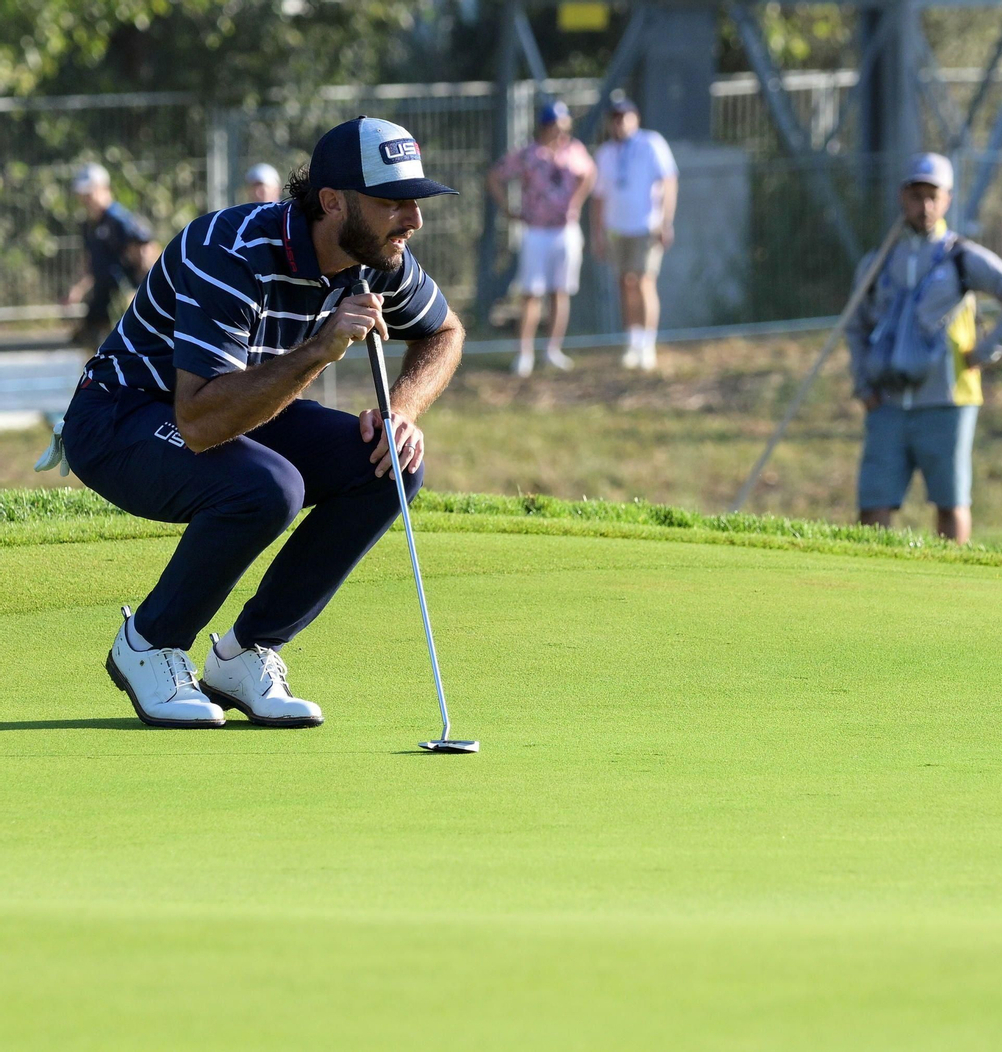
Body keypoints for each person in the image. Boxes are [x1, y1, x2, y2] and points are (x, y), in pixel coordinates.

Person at [56, 116, 464, 730]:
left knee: (389, 466)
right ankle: (149, 643)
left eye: (415, 200)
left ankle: (245, 653)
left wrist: (400, 412)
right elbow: (199, 421)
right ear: (333, 201)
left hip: (236, 405)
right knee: (267, 487)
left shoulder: (377, 254)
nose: (414, 219)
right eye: (392, 202)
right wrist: (321, 349)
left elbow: (445, 332)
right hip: (121, 417)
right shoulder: (231, 251)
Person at [845, 152, 1002, 545]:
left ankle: (950, 578)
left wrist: (986, 351)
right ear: (902, 197)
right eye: (916, 196)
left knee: (950, 503)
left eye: (933, 196)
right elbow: (856, 326)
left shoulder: (961, 257)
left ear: (948, 199)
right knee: (873, 506)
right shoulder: (878, 261)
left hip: (948, 401)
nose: (925, 206)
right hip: (887, 403)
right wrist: (863, 383)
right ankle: (870, 578)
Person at [488, 99, 595, 375]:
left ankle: (552, 349)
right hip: (535, 230)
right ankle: (524, 353)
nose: (560, 131)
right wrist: (508, 209)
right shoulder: (529, 153)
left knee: (560, 291)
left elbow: (589, 174)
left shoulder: (575, 150)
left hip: (565, 230)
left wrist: (577, 202)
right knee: (531, 293)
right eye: (554, 125)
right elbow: (496, 176)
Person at [591, 94, 677, 370]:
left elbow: (669, 181)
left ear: (635, 118)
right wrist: (597, 233)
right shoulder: (605, 153)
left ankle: (647, 344)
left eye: (624, 117)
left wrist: (666, 221)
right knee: (624, 283)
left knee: (644, 281)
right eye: (615, 118)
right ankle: (633, 341)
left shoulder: (651, 143)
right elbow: (599, 197)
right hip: (617, 229)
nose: (620, 123)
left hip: (645, 226)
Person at [63, 162, 158, 351]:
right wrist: (78, 290)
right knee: (88, 340)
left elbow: (147, 250)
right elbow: (91, 262)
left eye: (89, 193)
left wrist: (142, 292)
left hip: (122, 297)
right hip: (103, 297)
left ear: (103, 188)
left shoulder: (120, 220)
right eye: (82, 195)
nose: (85, 199)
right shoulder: (90, 225)